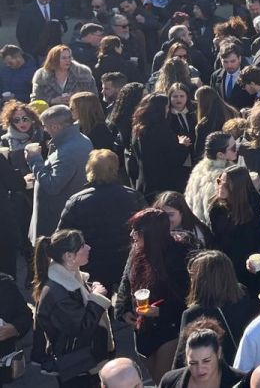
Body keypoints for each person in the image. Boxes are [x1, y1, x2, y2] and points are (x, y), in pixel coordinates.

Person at [115, 208, 191, 381]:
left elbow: (187, 296)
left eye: (137, 231)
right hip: (143, 329)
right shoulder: (136, 252)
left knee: (164, 379)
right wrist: (124, 311)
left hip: (169, 328)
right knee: (154, 377)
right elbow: (125, 285)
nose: (132, 235)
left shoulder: (180, 255)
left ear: (152, 234)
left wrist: (161, 311)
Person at [31, 229, 114, 388]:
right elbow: (81, 329)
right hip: (79, 367)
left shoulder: (69, 278)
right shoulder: (57, 292)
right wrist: (96, 299)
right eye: (82, 246)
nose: (88, 248)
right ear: (69, 256)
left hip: (85, 362)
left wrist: (90, 290)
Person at [57, 150, 145, 292]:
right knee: (127, 304)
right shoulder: (133, 197)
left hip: (92, 264)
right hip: (127, 260)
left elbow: (62, 236)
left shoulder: (77, 201)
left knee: (99, 305)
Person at [174, 251, 259, 369]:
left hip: (217, 375)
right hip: (248, 368)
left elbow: (181, 360)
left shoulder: (193, 314)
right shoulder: (242, 294)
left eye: (193, 275)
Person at [27, 105, 92, 244]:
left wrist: (34, 160)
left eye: (45, 126)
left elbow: (53, 186)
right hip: (67, 218)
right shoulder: (80, 139)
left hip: (57, 223)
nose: (44, 130)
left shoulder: (68, 151)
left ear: (55, 127)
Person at [207, 165, 260, 290]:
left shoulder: (255, 206)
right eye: (219, 182)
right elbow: (215, 238)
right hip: (226, 264)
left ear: (238, 189)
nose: (220, 187)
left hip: (250, 264)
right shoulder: (217, 208)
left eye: (226, 185)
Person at [158, 328, 245, 388]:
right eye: (193, 363)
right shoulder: (169, 382)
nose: (200, 369)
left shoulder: (241, 382)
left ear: (218, 353)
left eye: (206, 361)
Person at [33, 46, 97, 107]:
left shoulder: (83, 73)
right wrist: (53, 100)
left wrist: (76, 98)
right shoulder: (41, 76)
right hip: (51, 114)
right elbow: (35, 100)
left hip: (79, 113)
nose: (68, 60)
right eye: (64, 58)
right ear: (54, 59)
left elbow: (94, 97)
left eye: (69, 57)